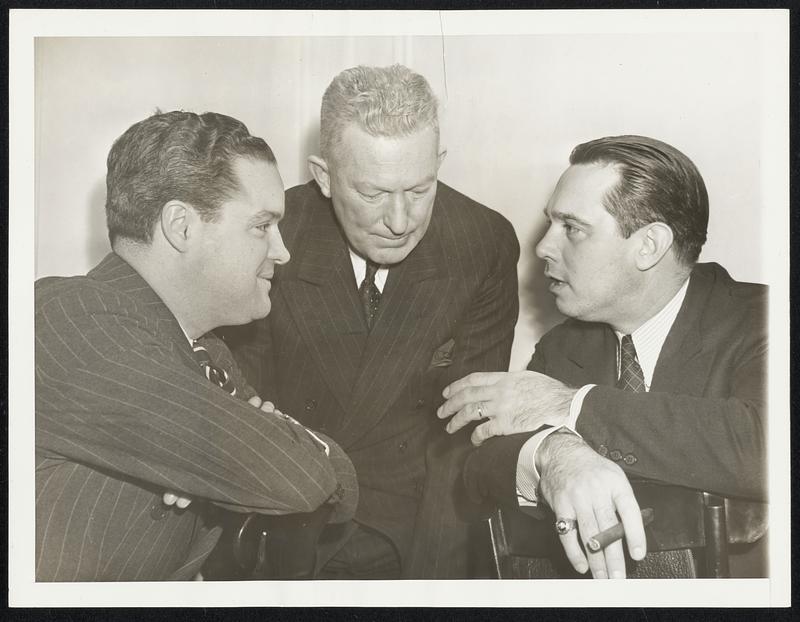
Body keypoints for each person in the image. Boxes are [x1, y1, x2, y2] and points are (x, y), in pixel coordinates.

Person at [35, 111, 357, 581]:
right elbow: (300, 478)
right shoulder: (66, 317)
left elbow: (342, 484)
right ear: (181, 226)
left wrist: (216, 464)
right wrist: (234, 461)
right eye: (261, 226)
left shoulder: (207, 355)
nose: (282, 251)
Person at [227, 64, 519, 579]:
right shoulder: (271, 235)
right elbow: (245, 411)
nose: (401, 221)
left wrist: (428, 585)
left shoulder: (483, 243)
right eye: (373, 194)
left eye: (420, 188)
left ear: (439, 164)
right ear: (323, 176)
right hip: (285, 519)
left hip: (411, 533)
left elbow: (463, 436)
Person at [439, 135, 768, 578]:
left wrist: (568, 404)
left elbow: (766, 445)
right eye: (550, 224)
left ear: (649, 246)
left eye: (572, 228)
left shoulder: (764, 320)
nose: (542, 248)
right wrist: (552, 452)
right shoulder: (566, 344)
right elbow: (480, 465)